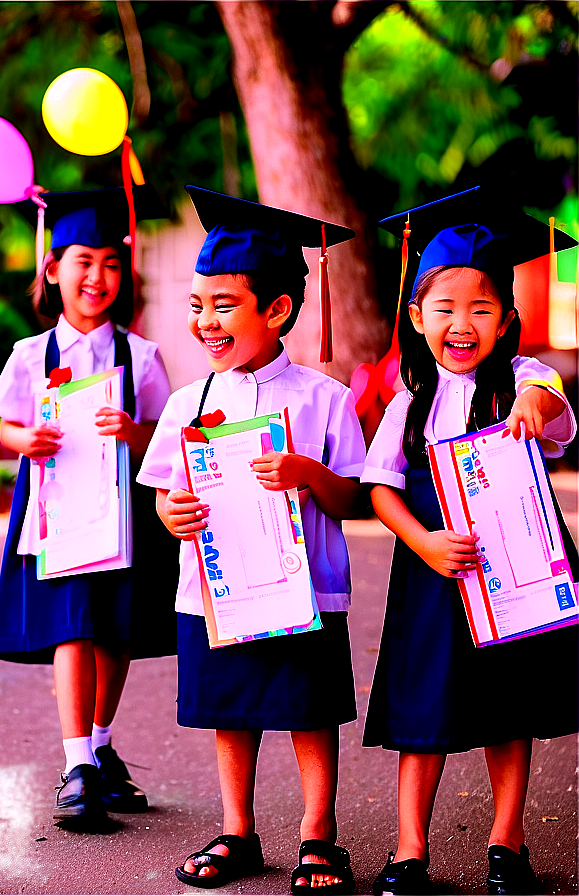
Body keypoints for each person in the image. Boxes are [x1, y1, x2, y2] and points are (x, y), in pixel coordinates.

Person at [138, 186, 366, 891]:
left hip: (306, 591)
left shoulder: (323, 398)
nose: (205, 321)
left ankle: (317, 833)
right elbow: (164, 497)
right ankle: (237, 828)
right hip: (218, 589)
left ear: (277, 310)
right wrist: (171, 516)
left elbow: (351, 497)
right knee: (229, 710)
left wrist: (308, 473)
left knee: (306, 708)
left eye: (224, 306)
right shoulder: (187, 403)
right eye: (197, 305)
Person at [361, 186, 579, 895]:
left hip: (511, 571)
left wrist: (528, 406)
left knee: (507, 708)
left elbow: (550, 400)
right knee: (424, 709)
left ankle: (506, 842)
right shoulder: (409, 401)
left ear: (507, 321)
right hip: (433, 572)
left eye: (481, 309)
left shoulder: (521, 377)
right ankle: (409, 849)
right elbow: (380, 488)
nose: (462, 323)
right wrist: (421, 542)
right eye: (446, 308)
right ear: (417, 315)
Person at [0, 186, 176, 830]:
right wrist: (25, 438)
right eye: (84, 261)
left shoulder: (141, 356)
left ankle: (99, 744)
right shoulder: (29, 354)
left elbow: (166, 433)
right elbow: (7, 428)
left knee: (114, 629)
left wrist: (133, 432)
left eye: (111, 264)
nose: (98, 277)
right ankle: (76, 766)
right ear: (54, 269)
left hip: (122, 509)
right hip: (56, 507)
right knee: (73, 625)